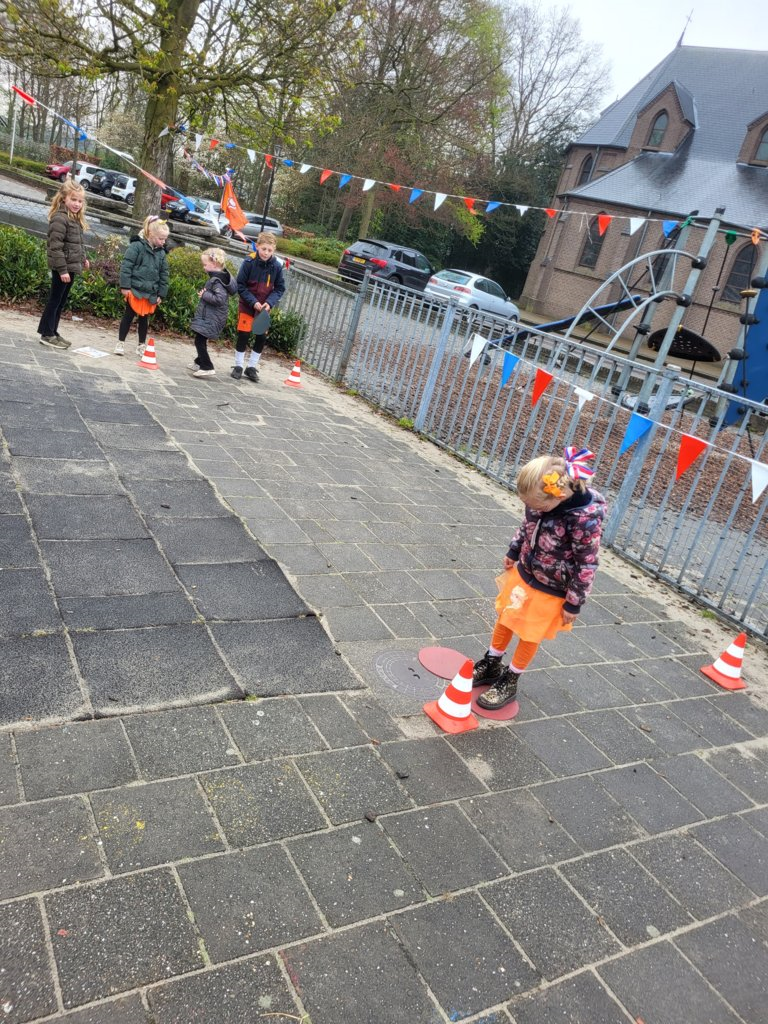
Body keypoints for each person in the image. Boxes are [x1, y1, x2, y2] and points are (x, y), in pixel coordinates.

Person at [472, 448, 606, 709]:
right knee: (506, 616)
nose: (533, 510)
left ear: (560, 495)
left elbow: (587, 562)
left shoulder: (584, 520)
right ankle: (491, 662)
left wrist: (574, 602)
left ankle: (511, 677)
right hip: (525, 573)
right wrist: (514, 550)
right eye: (529, 505)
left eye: (538, 506)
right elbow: (527, 525)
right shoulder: (540, 504)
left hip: (552, 588)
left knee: (530, 633)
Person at [38, 177, 89, 349]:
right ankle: (47, 334)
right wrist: (62, 270)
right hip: (63, 267)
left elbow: (77, 243)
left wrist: (83, 258)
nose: (77, 204)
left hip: (71, 266)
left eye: (80, 201)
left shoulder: (74, 218)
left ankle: (52, 330)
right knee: (54, 300)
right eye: (73, 199)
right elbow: (55, 246)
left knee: (60, 302)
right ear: (64, 198)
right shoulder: (60, 218)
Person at [232, 231, 286, 382]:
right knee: (243, 335)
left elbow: (280, 288)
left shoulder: (276, 266)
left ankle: (251, 367)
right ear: (257, 246)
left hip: (264, 309)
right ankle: (238, 365)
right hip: (247, 306)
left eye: (269, 250)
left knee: (261, 337)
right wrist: (253, 302)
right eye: (263, 249)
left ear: (274, 250)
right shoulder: (248, 262)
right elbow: (241, 285)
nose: (266, 253)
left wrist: (269, 302)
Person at [116, 215, 170, 356]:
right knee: (128, 316)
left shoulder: (161, 253)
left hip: (150, 292)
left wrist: (161, 293)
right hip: (134, 289)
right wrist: (125, 286)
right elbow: (126, 266)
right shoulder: (136, 246)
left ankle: (141, 345)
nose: (163, 242)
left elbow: (164, 274)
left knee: (144, 320)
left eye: (165, 239)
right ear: (151, 234)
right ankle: (120, 342)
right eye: (161, 239)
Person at [189, 247, 236, 378]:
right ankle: (199, 362)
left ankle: (207, 366)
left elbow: (220, 299)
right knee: (200, 339)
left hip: (212, 318)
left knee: (199, 341)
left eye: (205, 264)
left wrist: (204, 295)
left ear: (214, 264)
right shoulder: (218, 278)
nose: (203, 267)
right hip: (210, 316)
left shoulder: (217, 281)